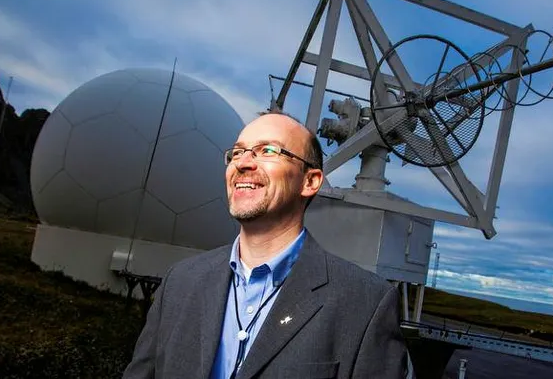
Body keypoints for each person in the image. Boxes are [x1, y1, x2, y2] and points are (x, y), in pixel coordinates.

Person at [122, 112, 409, 378]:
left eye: (268, 150)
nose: (243, 163)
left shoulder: (365, 304)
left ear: (309, 181)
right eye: (237, 152)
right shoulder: (181, 282)